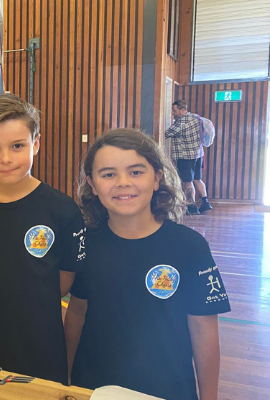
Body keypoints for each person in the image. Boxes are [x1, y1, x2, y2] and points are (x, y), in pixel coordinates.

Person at [65, 128, 230, 400]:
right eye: (108, 174)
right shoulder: (86, 243)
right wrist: (67, 379)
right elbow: (77, 312)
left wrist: (209, 396)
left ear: (157, 178)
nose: (123, 182)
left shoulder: (190, 247)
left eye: (135, 172)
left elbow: (204, 330)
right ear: (92, 184)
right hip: (94, 387)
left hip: (168, 390)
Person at [0, 94, 86, 385]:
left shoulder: (61, 210)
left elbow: (66, 277)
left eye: (17, 146)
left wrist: (27, 301)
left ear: (35, 143)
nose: (6, 159)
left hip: (38, 343)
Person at [165, 100, 212, 214]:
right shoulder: (196, 118)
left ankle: (192, 206)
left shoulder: (182, 121)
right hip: (198, 154)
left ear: (182, 110)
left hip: (186, 156)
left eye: (174, 110)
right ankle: (205, 202)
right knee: (197, 179)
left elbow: (167, 133)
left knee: (187, 181)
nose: (173, 113)